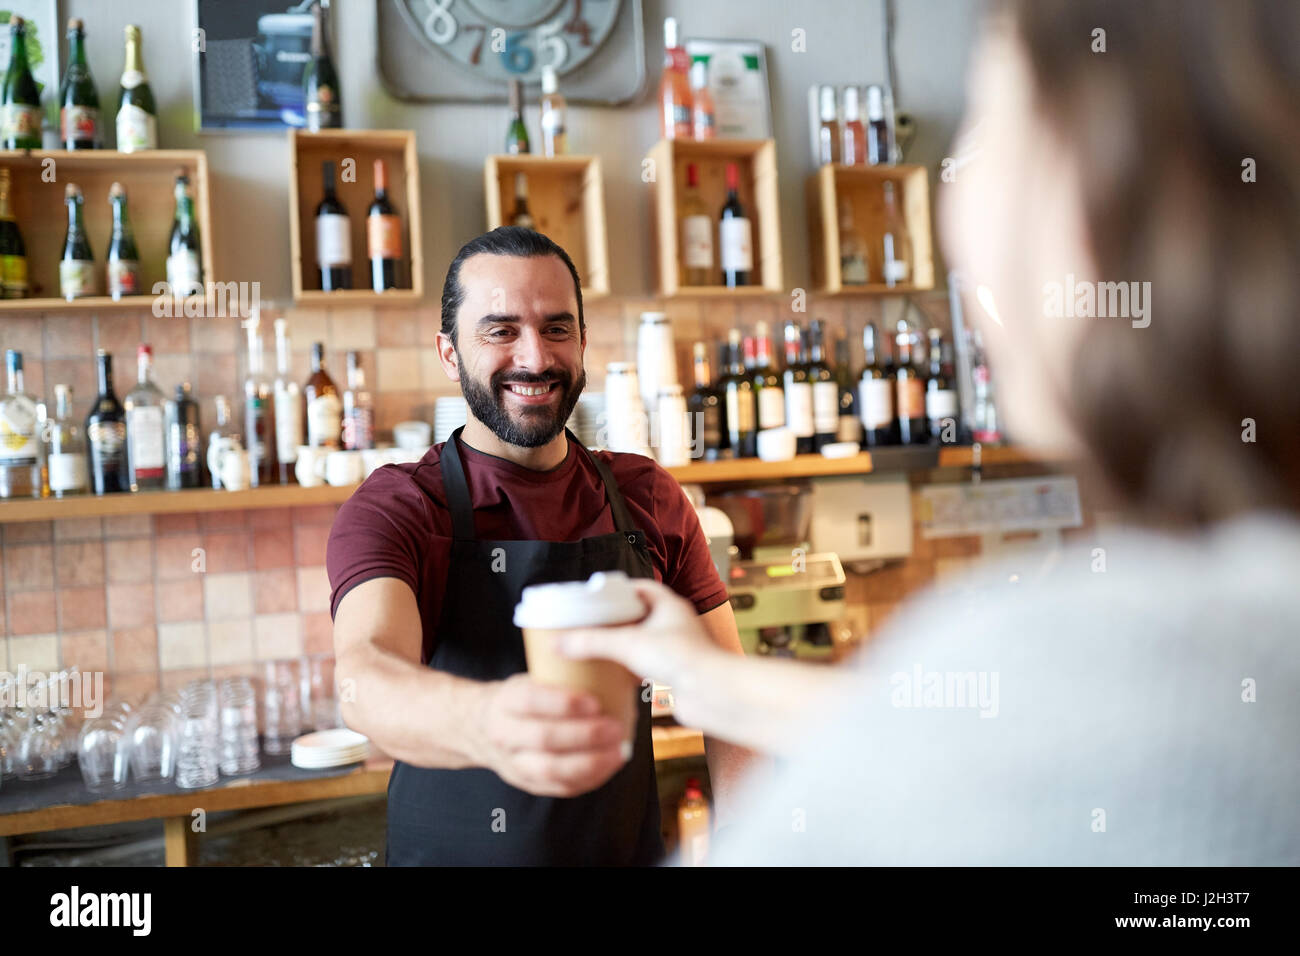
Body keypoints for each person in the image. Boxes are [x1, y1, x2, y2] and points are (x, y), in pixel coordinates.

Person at [556, 0, 1300, 865]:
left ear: (1114, 196)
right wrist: (709, 678)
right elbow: (1001, 728)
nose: (954, 210)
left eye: (985, 138)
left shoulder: (1104, 655)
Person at [328, 227, 755, 865]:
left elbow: (732, 699)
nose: (535, 358)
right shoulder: (399, 507)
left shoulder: (648, 496)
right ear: (449, 354)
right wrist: (488, 723)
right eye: (500, 331)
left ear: (583, 341)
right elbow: (365, 679)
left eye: (557, 329)